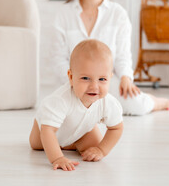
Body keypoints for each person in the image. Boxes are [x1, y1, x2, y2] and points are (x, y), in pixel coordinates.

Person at [51, 0, 169, 116]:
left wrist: (126, 78)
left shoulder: (118, 13)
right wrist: (73, 84)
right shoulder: (63, 14)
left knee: (135, 106)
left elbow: (123, 55)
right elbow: (58, 58)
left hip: (106, 83)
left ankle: (155, 102)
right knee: (65, 111)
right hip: (74, 84)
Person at [29, 39, 123, 171]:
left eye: (102, 79)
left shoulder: (108, 102)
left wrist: (101, 150)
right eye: (85, 78)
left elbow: (116, 128)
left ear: (110, 78)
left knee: (94, 146)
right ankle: (65, 143)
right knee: (37, 145)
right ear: (71, 77)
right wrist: (57, 158)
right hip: (46, 130)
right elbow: (48, 131)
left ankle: (71, 141)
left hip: (81, 130)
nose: (94, 86)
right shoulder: (61, 100)